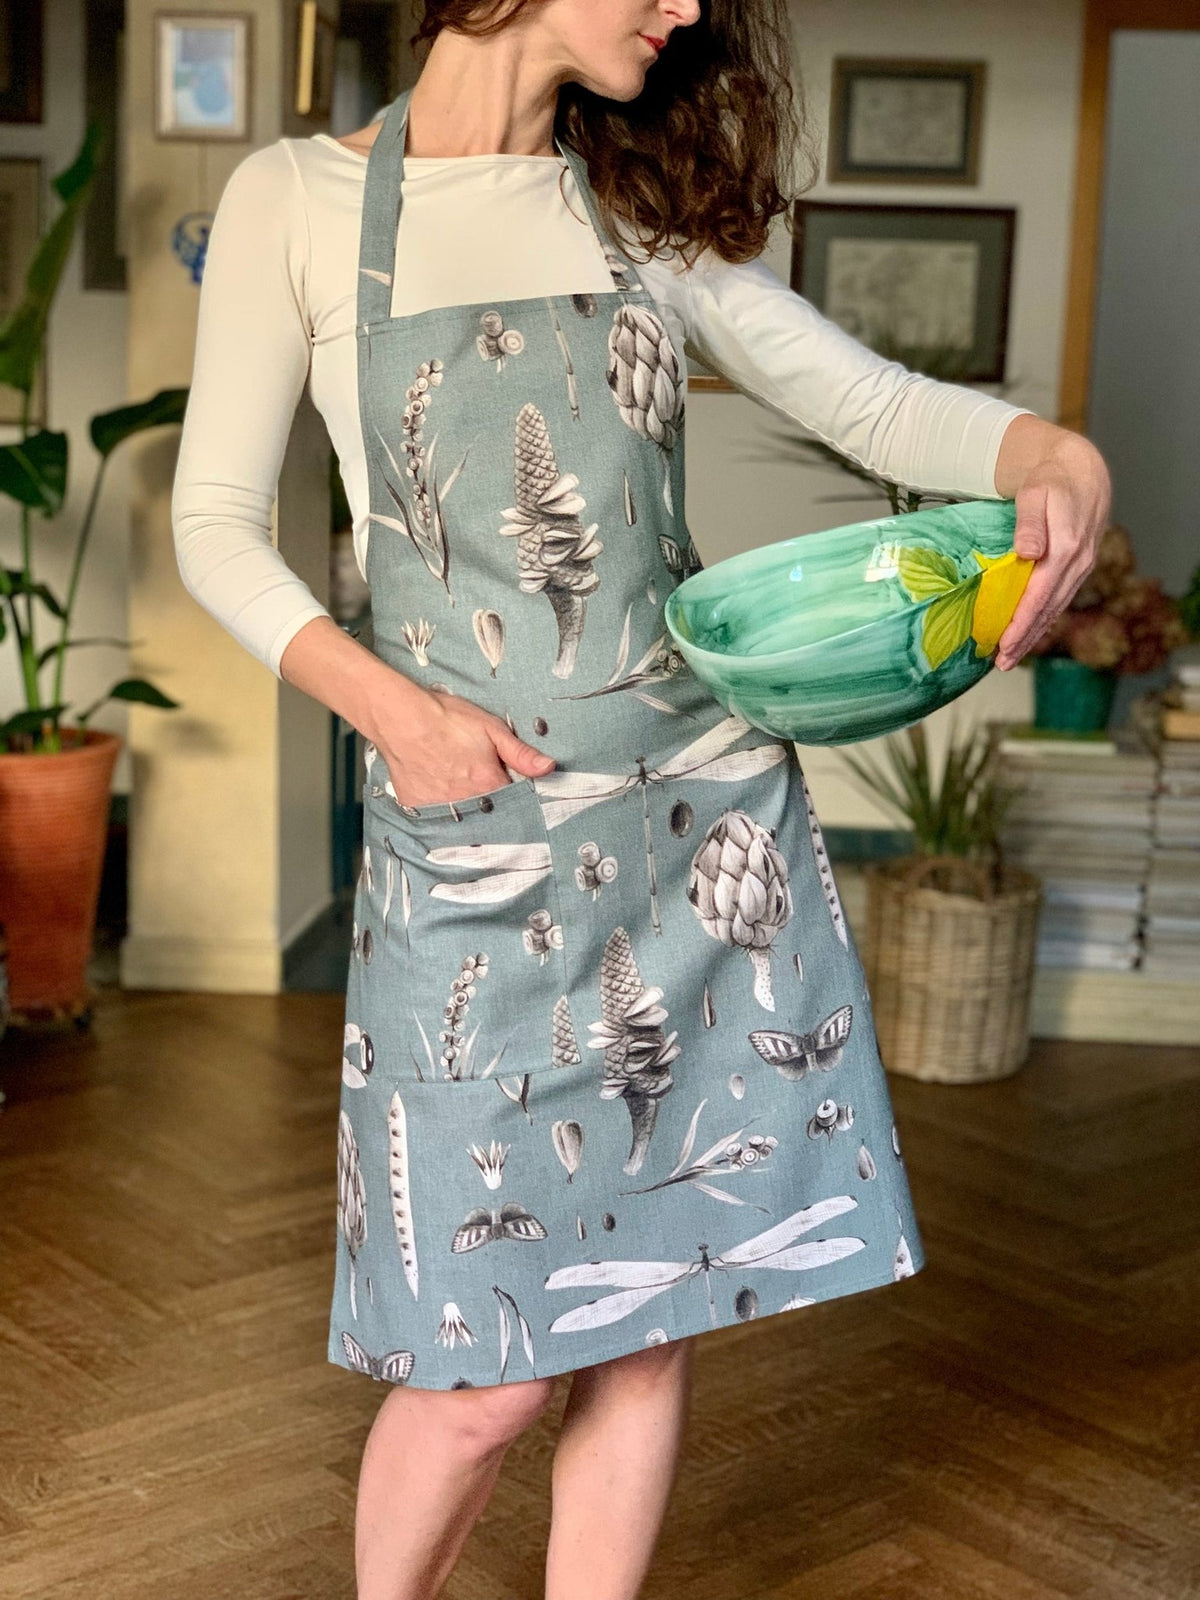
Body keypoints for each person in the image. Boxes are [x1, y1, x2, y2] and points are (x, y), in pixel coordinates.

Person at [171, 2, 1111, 1595]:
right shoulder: (301, 200)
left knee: (646, 1328)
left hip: (694, 829)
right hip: (464, 848)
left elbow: (869, 401)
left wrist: (1051, 451)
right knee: (486, 1378)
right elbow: (214, 524)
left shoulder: (628, 208)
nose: (685, 9)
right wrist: (389, 709)